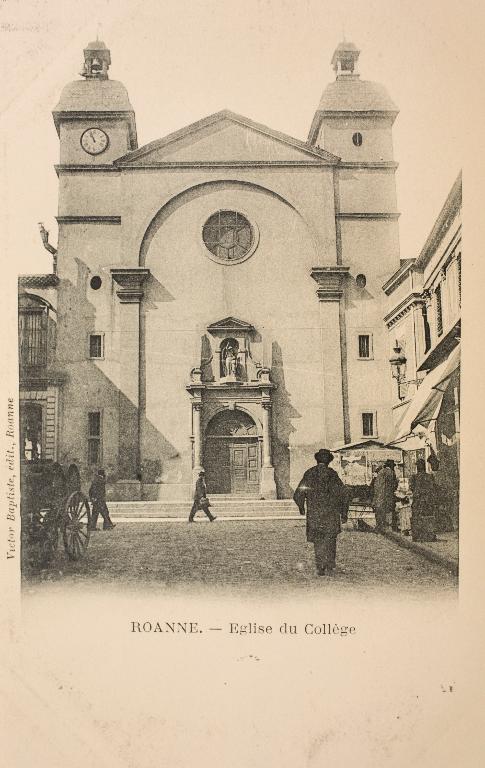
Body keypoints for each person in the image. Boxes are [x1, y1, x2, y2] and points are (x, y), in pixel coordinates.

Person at [293, 449, 348, 576]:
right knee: (330, 539)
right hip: (331, 514)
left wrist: (302, 507)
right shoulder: (333, 474)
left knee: (318, 541)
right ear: (329, 461)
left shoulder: (309, 473)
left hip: (315, 514)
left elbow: (298, 493)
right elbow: (344, 494)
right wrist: (344, 513)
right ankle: (329, 565)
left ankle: (320, 566)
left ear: (317, 460)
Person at [410, 459, 438, 542]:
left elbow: (411, 488)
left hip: (418, 500)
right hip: (428, 500)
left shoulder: (414, 477)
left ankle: (417, 536)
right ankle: (429, 535)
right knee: (428, 517)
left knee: (417, 517)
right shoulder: (430, 476)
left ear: (418, 467)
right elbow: (433, 488)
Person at [372, 459, 398, 533]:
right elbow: (394, 485)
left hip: (378, 495)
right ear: (391, 466)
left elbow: (376, 484)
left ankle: (379, 527)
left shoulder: (381, 472)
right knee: (392, 509)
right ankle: (392, 527)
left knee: (379, 511)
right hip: (387, 495)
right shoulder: (391, 472)